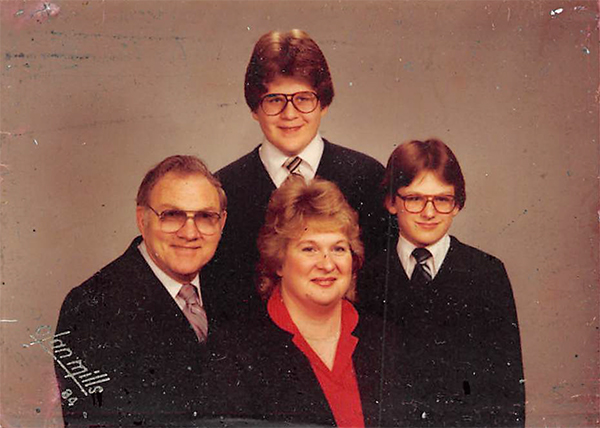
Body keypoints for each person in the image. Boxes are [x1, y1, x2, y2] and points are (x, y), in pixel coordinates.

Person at [206, 29, 388, 322]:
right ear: (255, 108)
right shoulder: (223, 189)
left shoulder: (367, 178)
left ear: (324, 104)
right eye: (274, 100)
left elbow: (381, 288)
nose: (290, 114)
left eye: (304, 98)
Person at [203, 176, 415, 427]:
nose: (327, 264)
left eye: (338, 249)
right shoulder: (235, 351)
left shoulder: (387, 341)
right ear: (279, 261)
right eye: (309, 249)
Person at [358, 139, 526, 427]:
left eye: (442, 199)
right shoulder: (368, 276)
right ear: (391, 202)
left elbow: (508, 390)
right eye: (414, 198)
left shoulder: (486, 273)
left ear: (457, 204)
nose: (429, 212)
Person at [54, 155, 227, 427]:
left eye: (205, 216)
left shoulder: (230, 289)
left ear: (222, 223)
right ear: (142, 219)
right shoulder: (90, 308)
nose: (190, 233)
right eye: (172, 215)